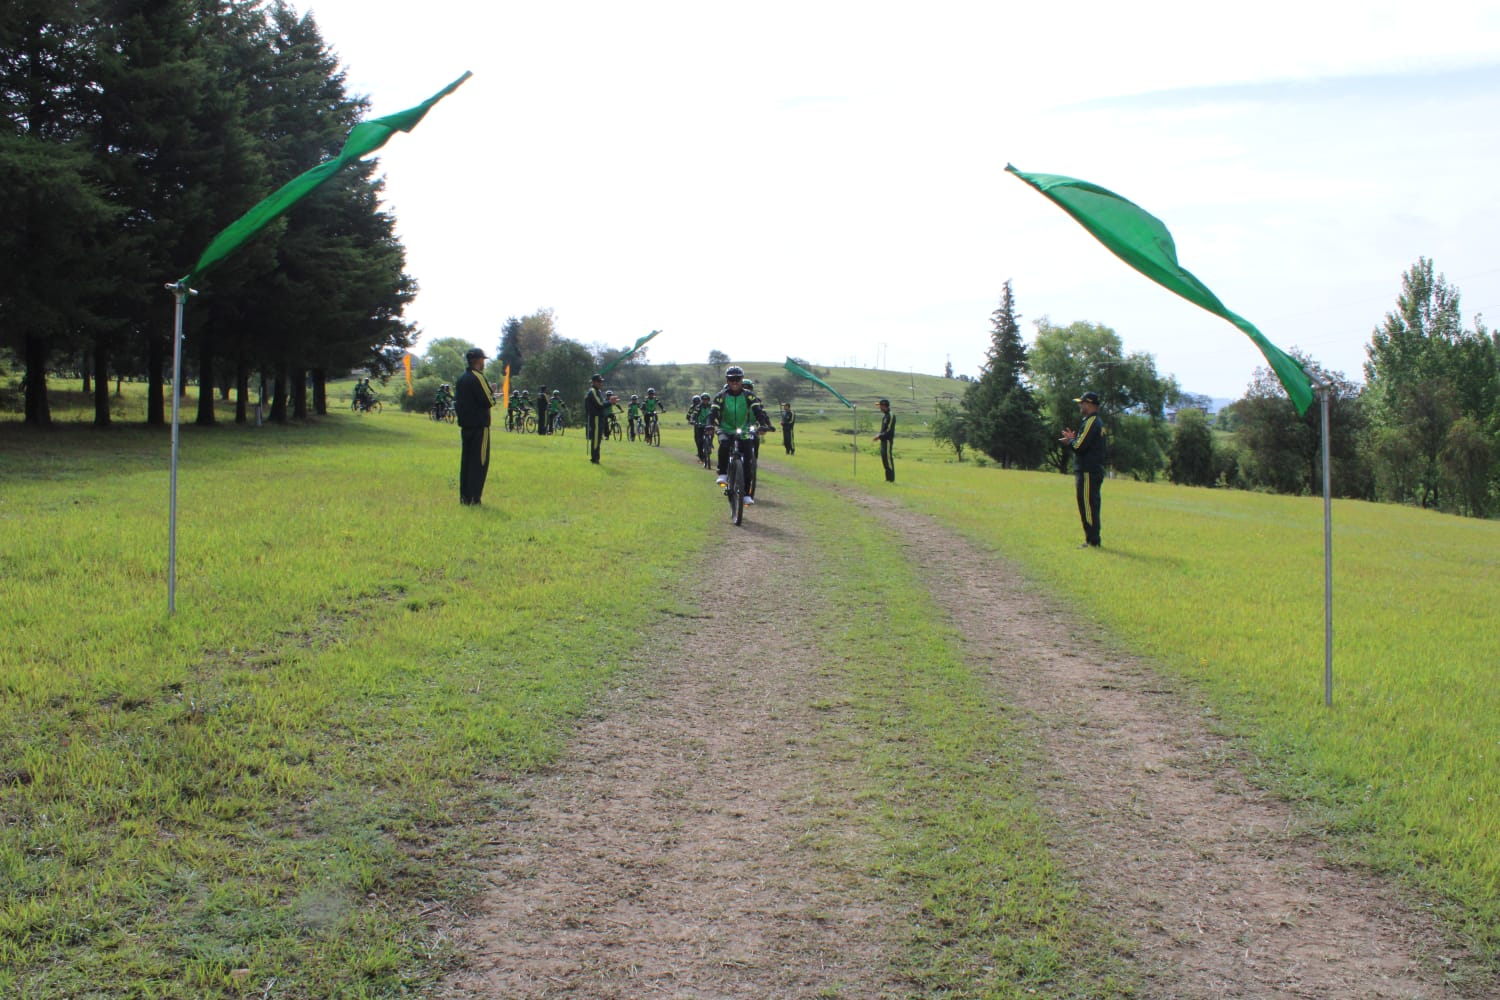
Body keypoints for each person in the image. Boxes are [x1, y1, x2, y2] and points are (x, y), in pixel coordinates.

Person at [709, 366, 772, 503]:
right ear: (727, 380)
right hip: (725, 429)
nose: (735, 382)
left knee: (748, 461)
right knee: (724, 444)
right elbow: (712, 412)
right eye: (732, 379)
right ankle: (723, 473)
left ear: (742, 380)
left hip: (744, 431)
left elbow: (758, 411)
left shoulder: (748, 395)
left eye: (737, 379)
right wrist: (710, 424)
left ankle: (746, 494)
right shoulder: (721, 396)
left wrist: (763, 424)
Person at [1061, 390, 1107, 548]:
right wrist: (1074, 439)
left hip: (1088, 471)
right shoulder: (1094, 422)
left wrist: (1071, 441)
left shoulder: (1091, 422)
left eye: (1082, 403)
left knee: (1087, 505)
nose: (1080, 406)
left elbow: (1080, 446)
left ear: (1089, 404)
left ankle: (1092, 540)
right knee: (1090, 504)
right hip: (1091, 470)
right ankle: (1092, 538)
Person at [454, 348, 494, 505]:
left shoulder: (462, 379)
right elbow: (489, 400)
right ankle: (474, 497)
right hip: (480, 426)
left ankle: (465, 496)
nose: (484, 363)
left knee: (467, 462)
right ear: (478, 361)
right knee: (480, 462)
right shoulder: (478, 377)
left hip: (466, 426)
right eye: (483, 360)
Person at [584, 373, 608, 463]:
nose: (600, 383)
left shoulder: (599, 392)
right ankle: (594, 458)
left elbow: (602, 402)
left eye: (601, 381)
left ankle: (596, 457)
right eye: (599, 381)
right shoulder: (593, 391)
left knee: (598, 438)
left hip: (600, 417)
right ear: (594, 382)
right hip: (596, 418)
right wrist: (610, 402)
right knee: (596, 438)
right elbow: (600, 404)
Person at [873, 397, 895, 482]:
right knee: (884, 459)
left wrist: (879, 436)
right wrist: (879, 435)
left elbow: (889, 430)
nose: (879, 407)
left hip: (887, 441)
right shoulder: (885, 416)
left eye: (880, 406)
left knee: (888, 459)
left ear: (884, 406)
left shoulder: (890, 415)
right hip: (883, 441)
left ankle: (891, 479)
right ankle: (887, 479)